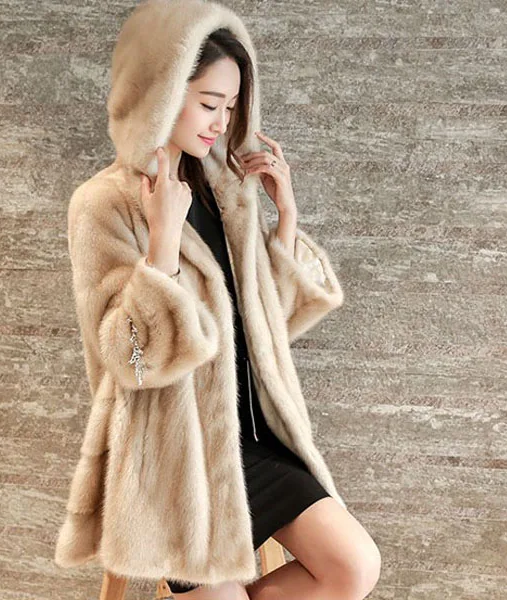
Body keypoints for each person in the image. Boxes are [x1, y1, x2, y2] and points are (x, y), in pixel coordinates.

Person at [55, 1, 381, 599]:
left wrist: (285, 219)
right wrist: (162, 243)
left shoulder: (226, 190)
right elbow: (129, 364)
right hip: (178, 466)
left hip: (254, 443)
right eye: (209, 104)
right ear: (159, 93)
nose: (220, 122)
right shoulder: (103, 204)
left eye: (229, 107)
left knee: (353, 567)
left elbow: (267, 327)